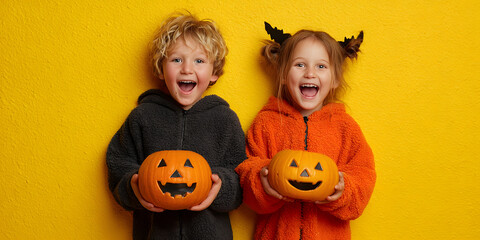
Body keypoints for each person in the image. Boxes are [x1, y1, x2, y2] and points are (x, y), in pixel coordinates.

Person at [106, 13, 246, 240]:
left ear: (214, 73)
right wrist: (134, 185)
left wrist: (220, 185)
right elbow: (117, 165)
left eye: (199, 61)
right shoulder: (142, 117)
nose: (187, 69)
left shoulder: (224, 120)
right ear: (161, 69)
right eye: (176, 60)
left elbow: (241, 176)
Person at [235, 23, 376, 239]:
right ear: (283, 74)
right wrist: (261, 179)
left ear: (335, 79)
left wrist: (343, 189)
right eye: (300, 65)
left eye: (321, 66)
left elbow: (363, 175)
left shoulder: (345, 127)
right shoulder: (266, 123)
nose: (310, 73)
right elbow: (245, 170)